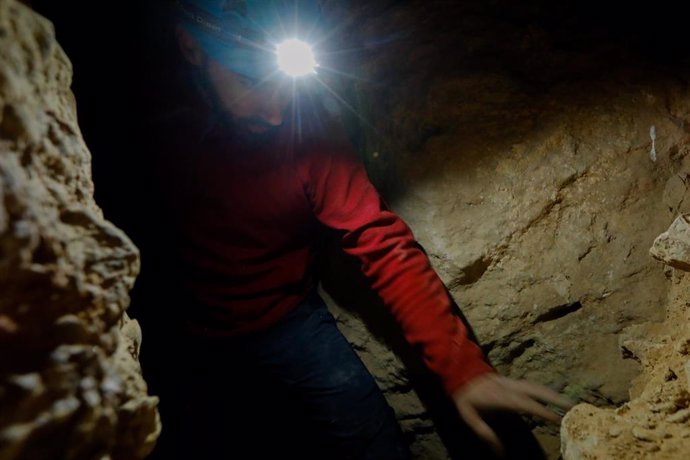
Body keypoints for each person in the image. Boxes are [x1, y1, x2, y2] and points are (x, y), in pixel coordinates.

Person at [131, 1, 573, 458]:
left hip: (285, 318)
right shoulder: (142, 114)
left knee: (374, 442)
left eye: (283, 86)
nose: (277, 111)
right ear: (190, 47)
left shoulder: (308, 130)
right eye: (248, 81)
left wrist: (464, 372)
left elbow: (378, 241)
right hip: (176, 331)